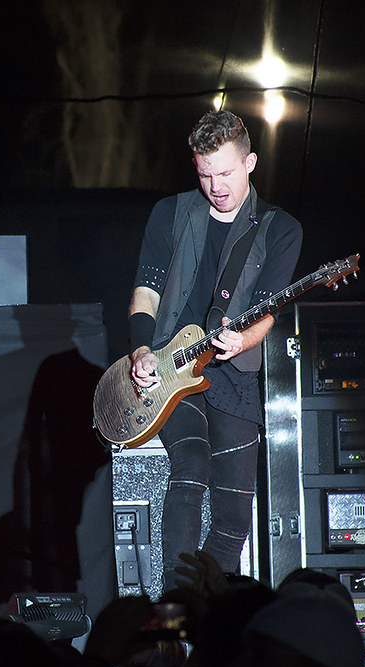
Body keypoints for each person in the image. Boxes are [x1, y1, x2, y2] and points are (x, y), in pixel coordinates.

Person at [127, 110, 302, 590]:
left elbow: (268, 310)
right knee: (191, 467)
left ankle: (209, 606)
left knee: (234, 515)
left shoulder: (280, 228)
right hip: (172, 364)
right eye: (205, 174)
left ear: (250, 163)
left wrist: (243, 339)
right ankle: (174, 602)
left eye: (225, 173)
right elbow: (146, 289)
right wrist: (141, 350)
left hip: (232, 371)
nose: (215, 186)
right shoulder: (170, 213)